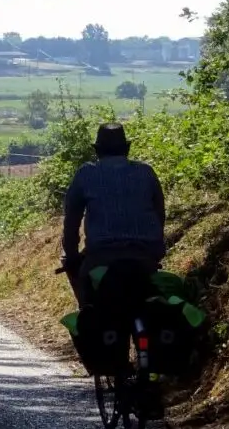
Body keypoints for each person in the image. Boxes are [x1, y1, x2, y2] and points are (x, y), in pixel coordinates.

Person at [61, 122, 166, 308]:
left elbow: (71, 221)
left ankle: (89, 317)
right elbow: (159, 215)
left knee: (89, 301)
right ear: (126, 149)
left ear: (98, 151)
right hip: (144, 257)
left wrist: (71, 257)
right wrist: (155, 250)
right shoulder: (146, 172)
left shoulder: (86, 174)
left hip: (101, 257)